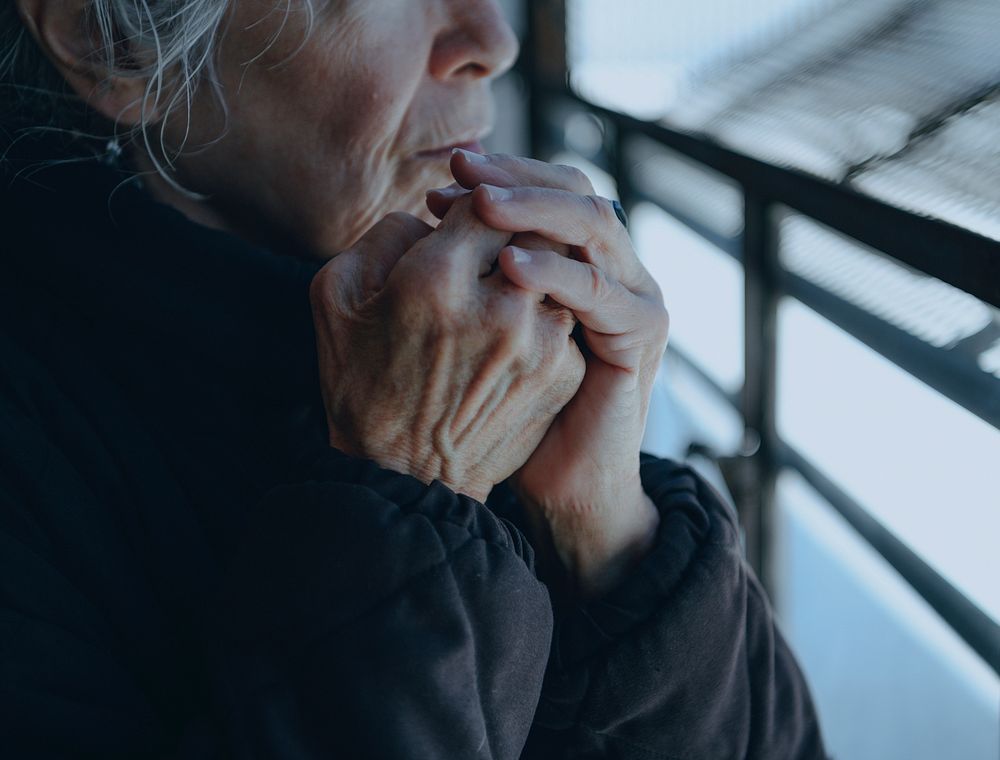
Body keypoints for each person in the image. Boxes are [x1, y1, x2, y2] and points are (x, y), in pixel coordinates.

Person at [0, 0, 826, 757]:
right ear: (111, 42)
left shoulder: (483, 329)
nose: (491, 41)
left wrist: (607, 536)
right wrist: (407, 483)